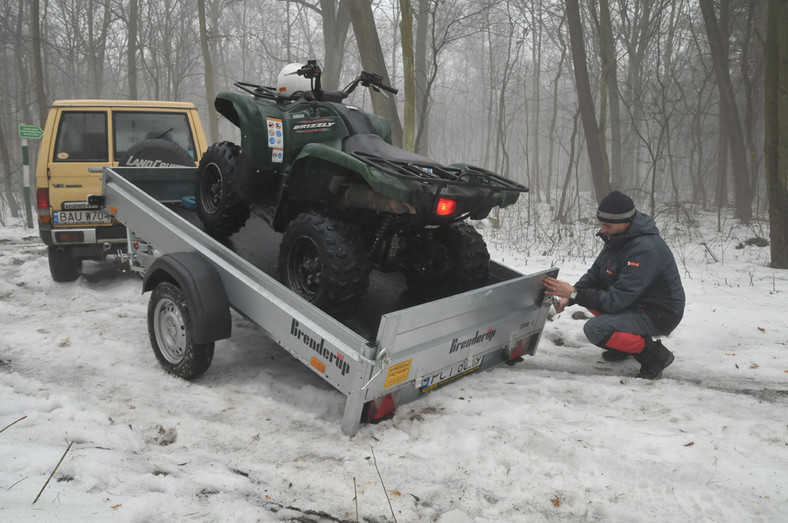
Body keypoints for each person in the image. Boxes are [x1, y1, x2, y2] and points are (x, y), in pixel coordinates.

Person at [545, 190, 685, 379]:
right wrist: (569, 297)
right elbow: (595, 275)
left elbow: (617, 300)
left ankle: (654, 355)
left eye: (607, 225)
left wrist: (575, 293)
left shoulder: (645, 249)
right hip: (636, 303)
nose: (602, 230)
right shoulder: (618, 238)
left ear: (626, 222)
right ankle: (623, 346)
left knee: (595, 329)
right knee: (586, 294)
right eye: (601, 224)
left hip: (659, 313)